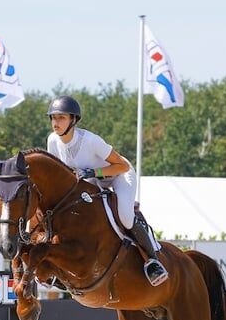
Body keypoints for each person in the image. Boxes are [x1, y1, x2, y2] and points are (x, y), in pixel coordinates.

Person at [45, 95, 168, 286]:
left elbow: (121, 166)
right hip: (92, 182)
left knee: (125, 217)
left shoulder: (91, 141)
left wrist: (94, 171)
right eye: (54, 118)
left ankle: (153, 261)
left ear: (73, 120)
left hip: (118, 176)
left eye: (61, 118)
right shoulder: (53, 141)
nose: (56, 122)